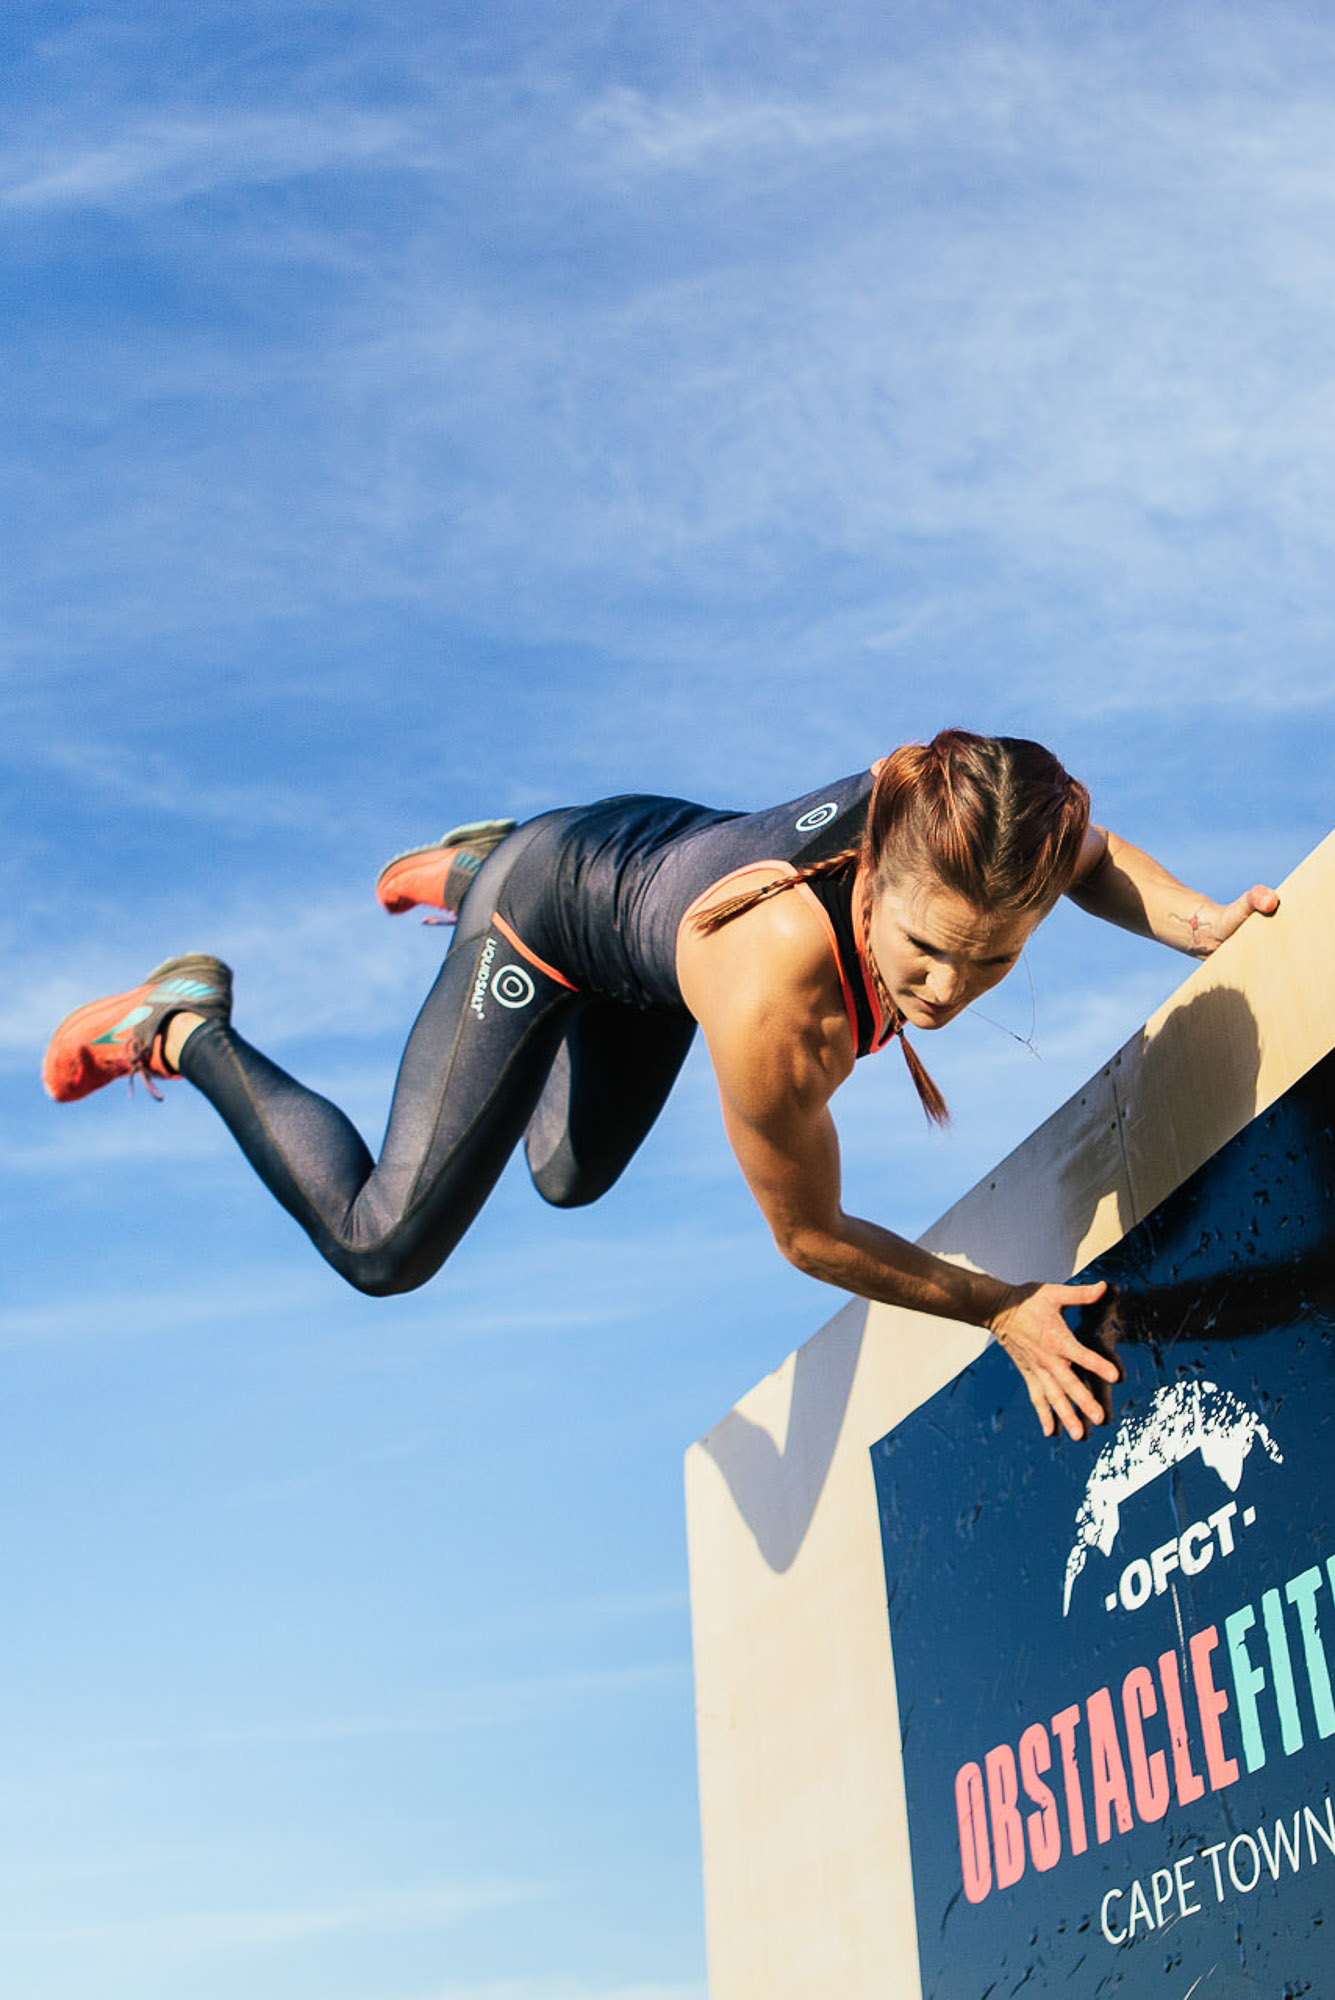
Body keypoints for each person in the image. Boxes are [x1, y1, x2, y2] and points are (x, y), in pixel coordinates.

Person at [42, 730, 1279, 1442]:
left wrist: (1197, 923)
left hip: (657, 890)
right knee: (386, 1244)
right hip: (560, 916)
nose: (949, 992)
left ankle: (483, 853)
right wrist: (1000, 1304)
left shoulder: (975, 821)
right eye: (921, 955)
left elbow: (1085, 846)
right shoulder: (774, 998)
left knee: (568, 1178)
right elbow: (809, 1232)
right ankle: (188, 1028)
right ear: (871, 889)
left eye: (992, 958)